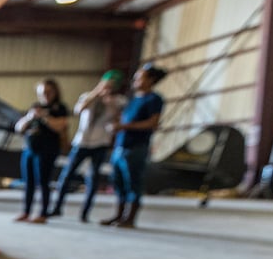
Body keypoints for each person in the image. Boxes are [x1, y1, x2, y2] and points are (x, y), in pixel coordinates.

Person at [48, 70, 126, 222]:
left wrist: (111, 103)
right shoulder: (87, 96)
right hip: (81, 142)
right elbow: (79, 110)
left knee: (93, 179)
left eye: (111, 86)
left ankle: (85, 213)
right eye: (105, 85)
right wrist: (97, 93)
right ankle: (57, 208)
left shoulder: (118, 101)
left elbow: (119, 120)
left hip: (100, 144)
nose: (107, 88)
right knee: (67, 175)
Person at [101, 63, 167, 228]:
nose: (136, 80)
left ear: (151, 79)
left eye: (140, 77)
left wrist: (125, 126)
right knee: (118, 183)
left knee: (133, 183)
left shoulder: (154, 99)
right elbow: (123, 118)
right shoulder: (133, 98)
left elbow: (153, 122)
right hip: (121, 146)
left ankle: (130, 219)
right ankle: (119, 215)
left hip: (136, 147)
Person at [13, 79, 69, 223]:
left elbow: (60, 126)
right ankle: (26, 212)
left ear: (55, 92)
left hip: (47, 151)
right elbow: (19, 128)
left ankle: (43, 213)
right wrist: (30, 117)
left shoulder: (59, 108)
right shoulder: (35, 107)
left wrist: (44, 117)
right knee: (28, 182)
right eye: (42, 92)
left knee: (43, 182)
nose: (45, 95)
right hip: (30, 149)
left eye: (48, 92)